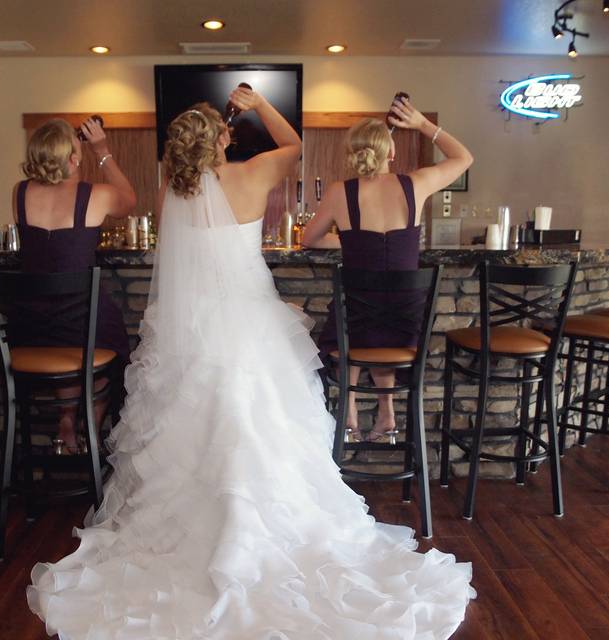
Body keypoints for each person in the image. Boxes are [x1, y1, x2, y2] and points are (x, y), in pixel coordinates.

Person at [27, 88, 474, 639]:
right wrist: (261, 104)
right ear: (221, 140)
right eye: (227, 132)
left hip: (192, 333)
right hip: (250, 322)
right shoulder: (258, 172)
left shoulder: (172, 191)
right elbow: (295, 143)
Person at [303, 96, 474, 442]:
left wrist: (350, 240)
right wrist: (424, 124)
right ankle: (387, 415)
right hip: (404, 324)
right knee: (381, 312)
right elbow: (464, 158)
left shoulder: (340, 192)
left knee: (352, 317)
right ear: (391, 153)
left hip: (356, 326)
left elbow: (310, 238)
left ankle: (349, 416)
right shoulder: (415, 185)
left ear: (353, 153)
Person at [14, 118, 136, 453]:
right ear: (73, 158)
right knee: (107, 346)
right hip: (83, 321)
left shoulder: (20, 192)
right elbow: (128, 202)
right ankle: (92, 430)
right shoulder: (96, 195)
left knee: (68, 342)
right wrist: (103, 152)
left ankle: (66, 419)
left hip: (34, 326)